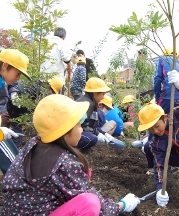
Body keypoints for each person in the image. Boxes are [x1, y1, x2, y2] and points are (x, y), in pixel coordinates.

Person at [1, 94, 140, 215]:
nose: (81, 129)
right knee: (89, 203)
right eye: (78, 124)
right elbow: (99, 208)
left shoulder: (33, 144)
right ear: (65, 130)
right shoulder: (65, 164)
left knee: (86, 175)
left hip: (17, 210)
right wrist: (122, 205)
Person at [137, 70, 179, 207]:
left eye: (157, 126)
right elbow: (159, 165)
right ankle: (171, 169)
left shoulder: (178, 115)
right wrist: (159, 189)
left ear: (165, 117)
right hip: (174, 159)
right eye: (151, 129)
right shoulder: (157, 141)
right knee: (149, 147)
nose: (155, 131)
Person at [0, 49, 30, 173]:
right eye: (17, 74)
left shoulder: (3, 82)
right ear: (5, 65)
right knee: (15, 169)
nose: (17, 78)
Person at [77, 77, 126, 151]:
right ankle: (76, 150)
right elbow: (83, 126)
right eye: (103, 94)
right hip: (74, 134)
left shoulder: (91, 102)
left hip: (78, 132)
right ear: (95, 93)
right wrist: (98, 135)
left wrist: (104, 134)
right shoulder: (87, 104)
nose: (103, 97)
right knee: (92, 139)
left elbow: (92, 126)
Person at [40, 27, 73, 93]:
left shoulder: (45, 42)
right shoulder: (62, 43)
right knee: (56, 100)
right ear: (64, 37)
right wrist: (69, 65)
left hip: (43, 77)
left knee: (44, 98)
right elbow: (66, 58)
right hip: (56, 79)